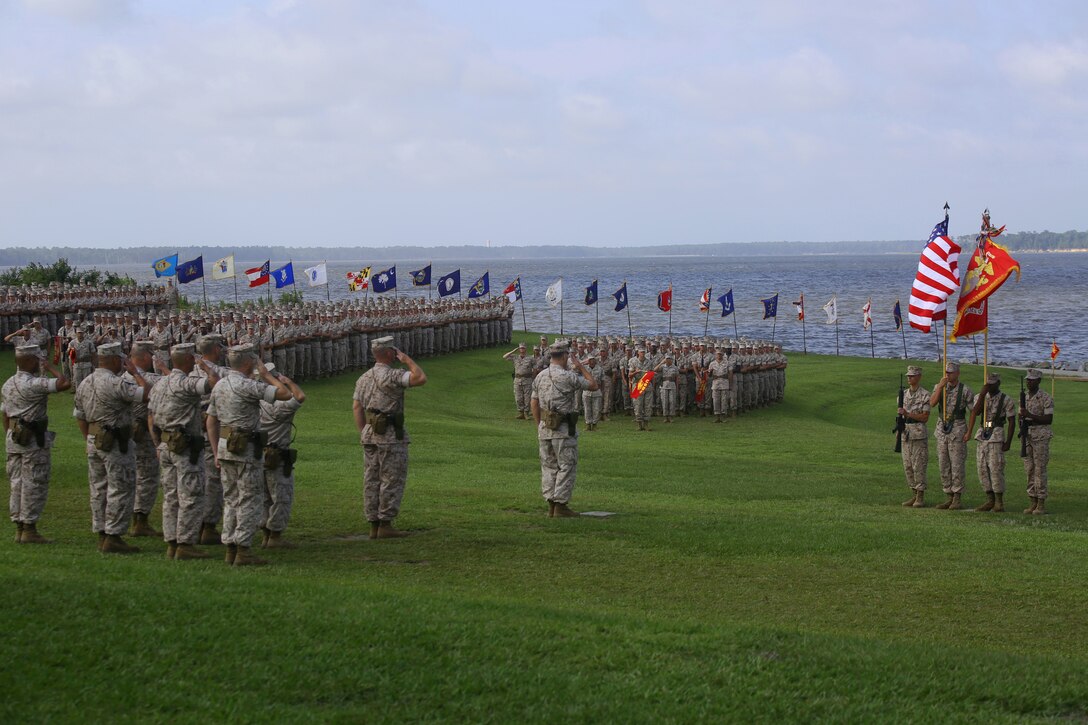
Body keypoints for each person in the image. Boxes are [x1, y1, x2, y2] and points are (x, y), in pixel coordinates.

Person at [206, 343, 291, 566]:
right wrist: (266, 375)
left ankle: (230, 548)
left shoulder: (221, 384)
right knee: (249, 499)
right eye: (254, 360)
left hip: (225, 446)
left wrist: (215, 451)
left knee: (231, 498)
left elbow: (211, 420)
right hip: (246, 450)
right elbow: (284, 393)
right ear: (247, 363)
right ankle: (243, 549)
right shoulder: (247, 386)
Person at [73, 342, 152, 554]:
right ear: (116, 360)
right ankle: (114, 535)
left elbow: (80, 416)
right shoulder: (116, 383)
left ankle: (101, 532)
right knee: (120, 487)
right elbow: (146, 394)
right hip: (116, 442)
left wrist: (88, 438)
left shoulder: (85, 382)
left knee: (98, 488)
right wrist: (135, 373)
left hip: (94, 439)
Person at [148, 343, 220, 560]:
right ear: (189, 360)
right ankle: (185, 543)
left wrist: (156, 444)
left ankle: (172, 542)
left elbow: (150, 416)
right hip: (185, 447)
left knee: (171, 496)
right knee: (190, 494)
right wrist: (206, 366)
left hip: (165, 444)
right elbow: (214, 383)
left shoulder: (160, 383)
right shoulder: (186, 384)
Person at [353, 336, 427, 539]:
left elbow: (357, 407)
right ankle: (385, 523)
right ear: (388, 353)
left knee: (371, 479)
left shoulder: (364, 378)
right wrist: (407, 360)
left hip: (370, 432)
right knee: (391, 478)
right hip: (390, 434)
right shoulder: (393, 375)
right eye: (393, 351)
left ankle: (373, 524)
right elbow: (420, 378)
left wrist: (363, 432)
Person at [3, 345, 70, 543]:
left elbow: (4, 413)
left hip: (14, 437)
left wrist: (8, 432)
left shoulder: (7, 384)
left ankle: (19, 527)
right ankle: (29, 529)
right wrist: (49, 368)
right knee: (34, 482)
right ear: (32, 361)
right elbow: (65, 383)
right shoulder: (34, 384)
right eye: (38, 359)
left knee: (16, 483)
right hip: (33, 440)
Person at [531, 341, 597, 517]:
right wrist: (580, 367)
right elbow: (593, 385)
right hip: (563, 429)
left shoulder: (540, 376)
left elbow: (534, 403)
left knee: (549, 466)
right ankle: (561, 505)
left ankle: (551, 505)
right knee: (566, 465)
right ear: (565, 356)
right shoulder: (567, 376)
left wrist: (539, 425)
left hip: (545, 428)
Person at [259, 366, 305, 549]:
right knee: (281, 496)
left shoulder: (254, 402)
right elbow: (300, 396)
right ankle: (275, 536)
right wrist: (288, 382)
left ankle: (265, 534)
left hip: (257, 454)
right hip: (278, 455)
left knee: (263, 497)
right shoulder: (281, 406)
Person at [126, 341, 164, 537]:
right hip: (143, 434)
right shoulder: (149, 378)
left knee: (128, 476)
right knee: (147, 475)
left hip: (124, 434)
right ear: (144, 357)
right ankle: (140, 521)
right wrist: (164, 368)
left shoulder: (119, 378)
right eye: (152, 355)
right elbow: (170, 383)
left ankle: (131, 517)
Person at [965, 372, 1017, 512]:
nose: (990, 386)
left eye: (992, 384)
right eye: (988, 383)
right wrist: (982, 395)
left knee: (995, 468)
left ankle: (999, 501)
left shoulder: (1006, 400)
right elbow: (975, 413)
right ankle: (989, 499)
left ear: (998, 383)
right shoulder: (980, 397)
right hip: (983, 434)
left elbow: (1012, 421)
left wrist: (1008, 441)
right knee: (982, 468)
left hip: (996, 434)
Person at [929, 362, 974, 510]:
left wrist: (969, 431)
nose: (948, 375)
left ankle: (957, 497)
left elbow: (973, 411)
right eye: (946, 372)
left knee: (957, 465)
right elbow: (932, 403)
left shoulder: (965, 390)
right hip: (942, 430)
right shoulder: (939, 387)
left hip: (957, 429)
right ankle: (948, 495)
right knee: (943, 464)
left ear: (957, 373)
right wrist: (941, 387)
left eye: (951, 373)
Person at [1020, 369, 1054, 515]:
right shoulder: (1024, 397)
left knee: (1040, 470)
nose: (1029, 382)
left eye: (1032, 380)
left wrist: (1030, 415)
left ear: (1039, 381)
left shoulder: (1045, 397)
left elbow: (1048, 419)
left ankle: (1040, 502)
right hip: (1027, 436)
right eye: (1028, 379)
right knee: (1029, 469)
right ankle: (1032, 501)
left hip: (1040, 436)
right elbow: (1020, 415)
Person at [898, 365, 931, 508]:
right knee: (908, 466)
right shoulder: (903, 395)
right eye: (908, 376)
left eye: (912, 376)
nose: (909, 378)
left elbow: (925, 417)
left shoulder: (925, 395)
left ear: (918, 377)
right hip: (906, 433)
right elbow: (900, 417)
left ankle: (920, 496)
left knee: (919, 465)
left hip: (918, 434)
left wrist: (908, 414)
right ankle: (913, 493)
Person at [502, 343, 535, 419]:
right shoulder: (515, 357)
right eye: (520, 348)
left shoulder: (530, 358)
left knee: (527, 397)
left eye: (523, 348)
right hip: (517, 379)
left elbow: (535, 368)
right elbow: (504, 357)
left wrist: (532, 377)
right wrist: (513, 351)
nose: (522, 350)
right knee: (518, 397)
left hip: (527, 379)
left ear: (525, 349)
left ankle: (526, 413)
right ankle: (521, 412)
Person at [628, 348, 653, 431]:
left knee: (648, 405)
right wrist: (636, 372)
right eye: (641, 352)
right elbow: (629, 375)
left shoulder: (649, 362)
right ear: (638, 352)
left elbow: (651, 373)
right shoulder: (633, 361)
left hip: (647, 384)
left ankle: (646, 424)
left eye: (643, 352)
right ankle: (639, 424)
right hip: (638, 383)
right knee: (638, 405)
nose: (642, 353)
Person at [707, 349, 733, 423]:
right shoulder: (712, 364)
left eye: (720, 354)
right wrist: (710, 372)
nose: (719, 355)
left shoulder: (728, 363)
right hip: (715, 384)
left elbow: (730, 374)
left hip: (724, 383)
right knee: (716, 400)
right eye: (717, 354)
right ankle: (717, 416)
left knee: (724, 400)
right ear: (715, 355)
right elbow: (709, 375)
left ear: (722, 355)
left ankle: (723, 416)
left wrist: (730, 384)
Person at [582, 355, 604, 430]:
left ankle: (594, 424)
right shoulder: (584, 369)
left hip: (596, 391)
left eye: (592, 360)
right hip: (587, 391)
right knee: (587, 409)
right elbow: (575, 367)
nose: (591, 361)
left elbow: (602, 380)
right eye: (589, 360)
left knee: (597, 409)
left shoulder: (600, 369)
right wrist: (583, 363)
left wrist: (601, 390)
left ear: (595, 360)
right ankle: (588, 424)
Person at [657, 353, 679, 423]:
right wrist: (661, 363)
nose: (668, 360)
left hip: (672, 385)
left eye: (669, 359)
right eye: (667, 359)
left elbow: (677, 377)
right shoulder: (663, 366)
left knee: (672, 401)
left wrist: (677, 387)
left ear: (672, 360)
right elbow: (655, 369)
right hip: (664, 385)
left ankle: (671, 416)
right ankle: (665, 417)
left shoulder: (675, 367)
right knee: (665, 401)